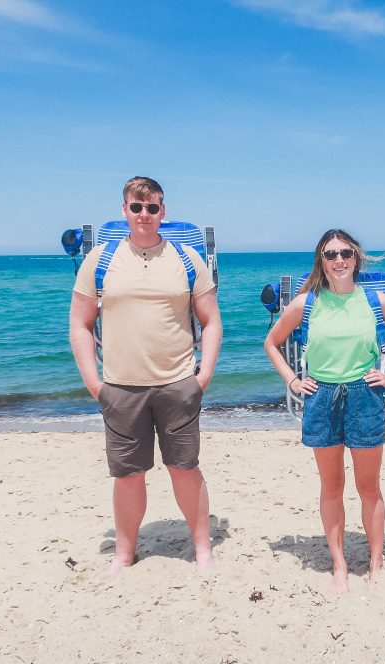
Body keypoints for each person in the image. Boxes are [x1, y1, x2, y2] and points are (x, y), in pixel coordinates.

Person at [69, 176, 222, 576]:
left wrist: (202, 375)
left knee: (185, 469)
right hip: (120, 387)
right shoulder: (99, 261)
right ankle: (124, 552)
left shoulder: (188, 259)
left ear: (162, 211)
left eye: (152, 207)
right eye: (136, 207)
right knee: (128, 475)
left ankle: (202, 547)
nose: (144, 215)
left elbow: (211, 320)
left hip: (177, 383)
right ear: (124, 211)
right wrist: (94, 383)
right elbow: (80, 325)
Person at [264, 229, 385, 595]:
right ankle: (339, 563)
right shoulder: (306, 304)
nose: (338, 260)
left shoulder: (375, 301)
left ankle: (376, 561)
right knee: (331, 486)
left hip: (364, 397)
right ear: (320, 261)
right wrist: (293, 381)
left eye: (345, 253)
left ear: (356, 258)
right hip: (321, 398)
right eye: (330, 254)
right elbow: (271, 343)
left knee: (368, 487)